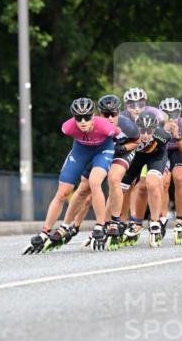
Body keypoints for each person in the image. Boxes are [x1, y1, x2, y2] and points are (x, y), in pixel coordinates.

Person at [23, 97, 119, 254]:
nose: (82, 121)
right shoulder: (67, 127)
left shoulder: (105, 126)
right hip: (80, 151)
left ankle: (100, 225)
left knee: (95, 182)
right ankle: (44, 232)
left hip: (103, 150)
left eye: (87, 117)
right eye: (78, 118)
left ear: (93, 115)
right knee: (62, 192)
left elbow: (118, 134)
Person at [49, 94, 139, 250]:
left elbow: (137, 141)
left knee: (114, 179)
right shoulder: (94, 123)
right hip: (101, 152)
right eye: (106, 114)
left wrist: (124, 148)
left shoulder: (127, 125)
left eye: (114, 114)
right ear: (99, 114)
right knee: (85, 187)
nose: (110, 118)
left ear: (119, 112)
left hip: (122, 151)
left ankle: (115, 221)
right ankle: (69, 226)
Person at [108, 110, 171, 248]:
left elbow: (168, 148)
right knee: (121, 188)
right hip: (137, 157)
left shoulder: (163, 136)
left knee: (152, 183)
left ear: (155, 129)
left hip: (156, 157)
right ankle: (117, 221)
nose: (146, 135)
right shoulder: (131, 132)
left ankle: (155, 222)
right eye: (142, 131)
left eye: (149, 132)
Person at [159, 97, 182, 244]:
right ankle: (162, 217)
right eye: (167, 114)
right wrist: (163, 132)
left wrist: (177, 136)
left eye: (174, 114)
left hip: (181, 149)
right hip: (164, 151)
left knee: (179, 179)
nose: (171, 118)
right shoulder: (157, 123)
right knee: (163, 182)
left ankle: (179, 218)